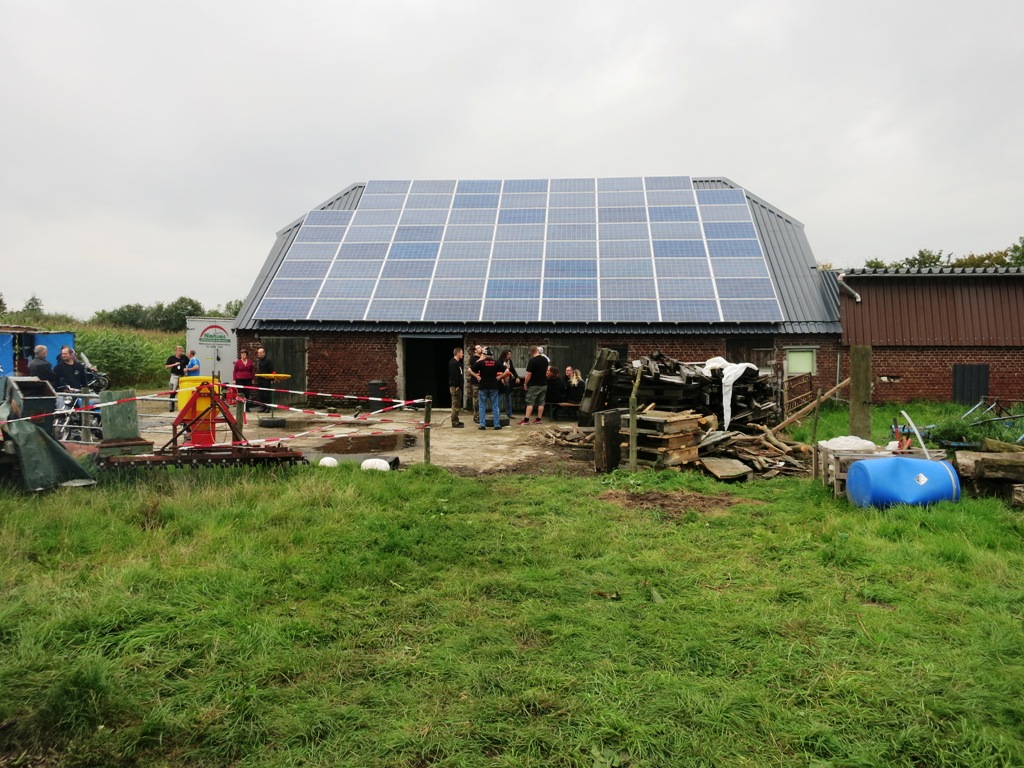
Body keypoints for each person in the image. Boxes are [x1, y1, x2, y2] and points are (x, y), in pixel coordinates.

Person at [471, 347, 504, 429]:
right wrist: (500, 377)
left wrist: (476, 376)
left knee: (482, 406)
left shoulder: (481, 363)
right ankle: (497, 425)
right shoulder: (496, 363)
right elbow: (507, 370)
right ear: (492, 355)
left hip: (483, 387)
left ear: (485, 355)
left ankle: (482, 425)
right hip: (494, 387)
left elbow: (469, 369)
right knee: (495, 406)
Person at [518, 345, 549, 425]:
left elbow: (528, 374)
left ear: (531, 352)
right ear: (537, 350)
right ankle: (539, 419)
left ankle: (526, 420)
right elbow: (546, 371)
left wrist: (525, 383)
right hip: (544, 384)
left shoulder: (532, 361)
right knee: (541, 402)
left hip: (534, 385)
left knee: (530, 402)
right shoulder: (545, 360)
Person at [165, 345, 189, 412]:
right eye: (179, 350)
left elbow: (189, 364)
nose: (180, 352)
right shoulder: (171, 358)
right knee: (173, 391)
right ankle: (171, 407)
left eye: (181, 350)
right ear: (176, 351)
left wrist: (186, 369)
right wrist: (174, 364)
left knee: (183, 391)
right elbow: (166, 367)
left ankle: (183, 406)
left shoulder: (184, 357)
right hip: (174, 376)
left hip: (182, 376)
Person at [498, 349, 520, 420]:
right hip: (501, 382)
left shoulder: (509, 361)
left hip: (508, 381)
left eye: (510, 354)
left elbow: (512, 369)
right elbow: (498, 370)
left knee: (508, 398)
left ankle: (509, 413)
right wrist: (501, 378)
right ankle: (497, 414)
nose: (509, 356)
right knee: (499, 399)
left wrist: (517, 377)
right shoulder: (499, 361)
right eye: (508, 354)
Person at [448, 347, 465, 428]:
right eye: (461, 353)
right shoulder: (453, 363)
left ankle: (456, 420)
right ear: (457, 353)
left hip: (458, 387)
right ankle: (454, 422)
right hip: (455, 387)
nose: (463, 354)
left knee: (458, 405)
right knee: (455, 405)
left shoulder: (458, 363)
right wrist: (456, 386)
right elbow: (453, 376)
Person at [255, 347, 275, 413]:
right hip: (260, 380)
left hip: (266, 380)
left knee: (266, 394)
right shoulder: (259, 361)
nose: (259, 354)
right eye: (258, 353)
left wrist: (273, 378)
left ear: (264, 353)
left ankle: (268, 407)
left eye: (260, 353)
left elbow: (272, 370)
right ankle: (262, 407)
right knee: (261, 394)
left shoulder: (268, 361)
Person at [466, 344, 483, 414]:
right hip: (475, 381)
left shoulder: (483, 358)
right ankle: (476, 415)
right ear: (475, 350)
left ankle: (481, 414)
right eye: (478, 348)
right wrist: (476, 376)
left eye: (481, 347)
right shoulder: (473, 358)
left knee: (482, 398)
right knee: (476, 399)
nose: (481, 348)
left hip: (483, 381)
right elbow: (472, 368)